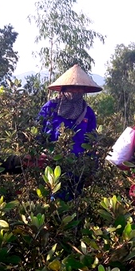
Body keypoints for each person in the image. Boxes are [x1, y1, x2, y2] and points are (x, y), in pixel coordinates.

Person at [37, 64, 101, 200]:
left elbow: (92, 142)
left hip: (77, 170)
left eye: (79, 88)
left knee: (74, 207)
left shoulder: (88, 113)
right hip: (52, 168)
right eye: (73, 87)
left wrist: (92, 170)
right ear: (64, 88)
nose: (76, 91)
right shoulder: (50, 108)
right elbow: (37, 135)